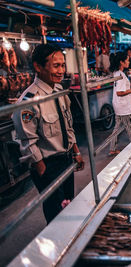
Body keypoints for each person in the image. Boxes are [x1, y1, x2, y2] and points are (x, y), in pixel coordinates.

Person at [12, 44, 85, 224]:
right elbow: (28, 142)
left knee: (68, 204)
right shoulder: (29, 101)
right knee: (56, 212)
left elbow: (67, 125)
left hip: (66, 159)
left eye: (62, 65)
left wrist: (75, 151)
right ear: (38, 66)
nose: (61, 71)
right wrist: (43, 171)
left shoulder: (59, 91)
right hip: (47, 165)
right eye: (56, 66)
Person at [109, 51, 131, 155]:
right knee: (130, 128)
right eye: (127, 60)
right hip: (123, 106)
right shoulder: (120, 75)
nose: (129, 62)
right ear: (122, 62)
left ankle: (112, 148)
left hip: (119, 105)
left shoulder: (118, 73)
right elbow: (119, 92)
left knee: (117, 128)